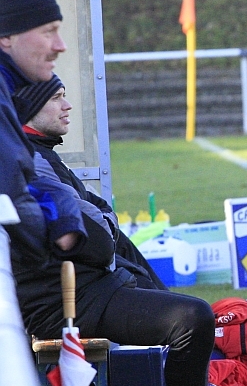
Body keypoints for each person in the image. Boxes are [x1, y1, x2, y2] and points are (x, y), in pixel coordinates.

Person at [0, 0, 247, 386]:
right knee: (192, 318)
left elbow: (90, 222)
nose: (61, 45)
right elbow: (79, 232)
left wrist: (82, 227)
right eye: (49, 31)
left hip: (91, 287)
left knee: (192, 313)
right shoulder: (27, 147)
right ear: (9, 37)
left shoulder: (38, 149)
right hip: (65, 303)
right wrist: (74, 230)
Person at [12, 75, 166, 290]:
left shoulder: (42, 151)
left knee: (124, 247)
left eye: (64, 96)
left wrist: (105, 220)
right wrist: (106, 222)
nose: (68, 105)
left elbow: (94, 203)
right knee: (192, 314)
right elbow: (94, 228)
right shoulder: (34, 158)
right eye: (56, 98)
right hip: (75, 283)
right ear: (30, 108)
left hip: (84, 273)